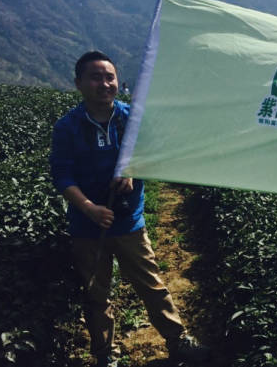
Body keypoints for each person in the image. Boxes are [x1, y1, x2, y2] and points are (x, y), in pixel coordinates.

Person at [50, 51, 209, 367]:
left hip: (128, 223)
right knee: (97, 295)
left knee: (151, 285)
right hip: (87, 226)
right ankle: (104, 354)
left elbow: (153, 154)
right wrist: (89, 208)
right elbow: (62, 175)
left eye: (109, 77)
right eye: (95, 77)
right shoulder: (67, 127)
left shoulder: (131, 119)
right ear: (79, 83)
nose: (104, 83)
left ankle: (178, 341)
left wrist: (134, 169)